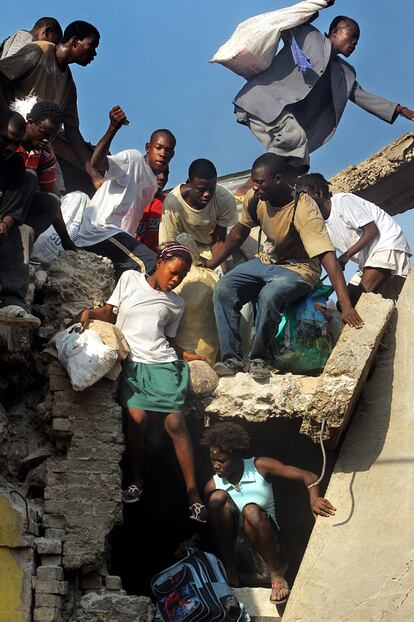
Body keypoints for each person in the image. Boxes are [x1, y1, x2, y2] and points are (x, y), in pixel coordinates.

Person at [78, 243, 207, 522]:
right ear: (160, 262)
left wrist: (187, 354)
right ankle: (137, 479)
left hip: (162, 364)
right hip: (134, 365)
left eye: (181, 277)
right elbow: (109, 313)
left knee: (175, 423)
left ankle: (193, 493)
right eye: (173, 272)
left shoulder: (177, 303)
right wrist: (89, 312)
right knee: (137, 418)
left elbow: (167, 339)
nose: (175, 280)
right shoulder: (130, 280)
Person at [208, 153, 363, 381]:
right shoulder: (255, 198)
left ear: (278, 179)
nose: (254, 186)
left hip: (300, 269)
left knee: (270, 294)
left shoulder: (303, 208)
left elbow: (327, 256)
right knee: (224, 288)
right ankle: (232, 359)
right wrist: (210, 264)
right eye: (253, 180)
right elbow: (239, 232)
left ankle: (259, 358)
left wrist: (347, 306)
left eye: (260, 181)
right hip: (268, 261)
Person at [234, 2, 414, 174]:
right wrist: (319, 3)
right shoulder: (308, 35)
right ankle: (255, 182)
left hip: (277, 117)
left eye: (357, 42)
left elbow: (363, 97)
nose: (354, 44)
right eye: (351, 36)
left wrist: (400, 110)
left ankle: (252, 193)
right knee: (294, 138)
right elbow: (289, 20)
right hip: (261, 101)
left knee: (296, 162)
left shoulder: (345, 73)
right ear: (335, 32)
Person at [202, 422, 336, 605]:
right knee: (216, 499)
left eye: (222, 461)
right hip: (240, 554)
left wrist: (314, 500)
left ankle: (276, 577)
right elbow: (211, 525)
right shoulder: (212, 485)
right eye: (213, 460)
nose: (216, 466)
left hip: (271, 548)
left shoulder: (259, 466)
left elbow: (309, 477)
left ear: (236, 455)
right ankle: (230, 569)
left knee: (250, 509)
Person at [59, 106, 176, 278]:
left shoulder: (152, 183)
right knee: (152, 265)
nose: (163, 154)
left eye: (168, 151)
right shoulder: (133, 160)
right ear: (148, 147)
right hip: (101, 232)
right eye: (159, 148)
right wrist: (113, 128)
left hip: (118, 240)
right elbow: (96, 162)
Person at [0, 20, 102, 190]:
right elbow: (2, 74)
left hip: (34, 151)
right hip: (8, 141)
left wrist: (94, 174)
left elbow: (72, 131)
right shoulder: (39, 51)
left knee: (52, 198)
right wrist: (7, 120)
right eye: (92, 45)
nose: (95, 53)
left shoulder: (68, 85)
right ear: (75, 41)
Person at [296, 173, 412, 304]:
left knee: (360, 296)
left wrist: (345, 257)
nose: (301, 201)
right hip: (368, 259)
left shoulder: (342, 201)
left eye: (304, 195)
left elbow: (372, 231)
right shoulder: (319, 223)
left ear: (319, 193)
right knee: (343, 304)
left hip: (387, 244)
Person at [14, 99, 75, 251]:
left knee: (52, 203)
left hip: (16, 207)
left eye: (52, 136)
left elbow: (51, 193)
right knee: (29, 177)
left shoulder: (45, 154)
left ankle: (18, 244)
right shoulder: (10, 138)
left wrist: (65, 240)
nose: (46, 140)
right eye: (43, 133)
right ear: (30, 121)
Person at [0, 109, 41, 328]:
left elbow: (13, 205)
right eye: (4, 139)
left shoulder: (14, 164)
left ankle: (11, 302)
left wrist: (5, 223)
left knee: (22, 230)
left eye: (14, 143)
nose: (8, 147)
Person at [159, 158, 237, 264]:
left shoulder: (224, 198)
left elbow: (219, 241)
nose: (207, 194)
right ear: (189, 183)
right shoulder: (172, 203)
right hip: (184, 254)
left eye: (211, 189)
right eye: (201, 189)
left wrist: (215, 267)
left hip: (213, 251)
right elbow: (170, 244)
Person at [135, 167, 169, 253]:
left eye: (166, 174)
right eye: (157, 172)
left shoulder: (168, 204)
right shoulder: (129, 199)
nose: (162, 177)